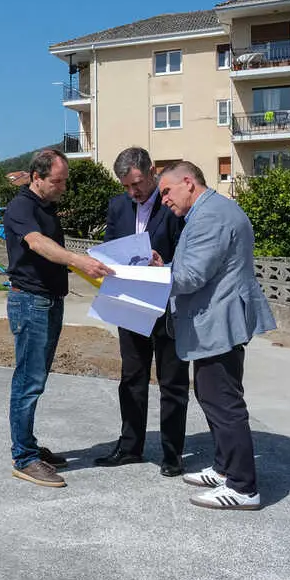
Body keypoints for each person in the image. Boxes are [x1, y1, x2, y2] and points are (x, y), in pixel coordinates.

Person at [155, 161, 276, 510]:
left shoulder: (209, 216)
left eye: (167, 191)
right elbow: (196, 268)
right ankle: (225, 468)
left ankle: (242, 486)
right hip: (217, 318)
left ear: (188, 182)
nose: (164, 200)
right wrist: (163, 268)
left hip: (219, 320)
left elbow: (192, 276)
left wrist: (149, 278)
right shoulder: (211, 211)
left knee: (222, 400)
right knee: (212, 395)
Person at [4, 149, 114, 487]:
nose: (63, 187)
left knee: (36, 378)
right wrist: (77, 261)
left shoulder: (45, 206)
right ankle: (24, 457)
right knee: (29, 380)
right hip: (30, 303)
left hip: (49, 301)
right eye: (58, 181)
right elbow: (37, 243)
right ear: (37, 178)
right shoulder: (21, 207)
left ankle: (28, 445)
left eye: (65, 180)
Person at [94, 148, 188, 477]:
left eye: (136, 183)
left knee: (172, 381)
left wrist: (165, 263)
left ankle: (173, 453)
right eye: (126, 186)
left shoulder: (172, 202)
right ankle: (130, 447)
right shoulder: (118, 206)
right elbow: (109, 245)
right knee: (131, 378)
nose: (133, 192)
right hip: (130, 304)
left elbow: (187, 251)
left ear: (151, 171)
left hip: (167, 305)